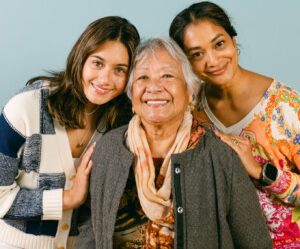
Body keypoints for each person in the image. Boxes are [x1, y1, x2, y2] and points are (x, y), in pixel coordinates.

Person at [75, 37, 272, 249]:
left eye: (167, 76)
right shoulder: (109, 149)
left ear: (190, 93)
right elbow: (91, 228)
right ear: (132, 95)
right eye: (143, 77)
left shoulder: (219, 155)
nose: (154, 87)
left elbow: (255, 242)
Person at [0, 16, 140, 249]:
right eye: (97, 63)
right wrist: (69, 198)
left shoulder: (121, 123)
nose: (105, 79)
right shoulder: (27, 107)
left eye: (119, 70)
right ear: (80, 58)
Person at [169, 1, 300, 248]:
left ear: (233, 40)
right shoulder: (191, 109)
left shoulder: (285, 107)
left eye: (219, 44)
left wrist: (262, 172)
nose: (213, 61)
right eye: (197, 54)